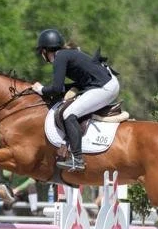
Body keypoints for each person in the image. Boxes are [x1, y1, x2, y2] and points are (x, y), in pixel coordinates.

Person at [30, 28, 120, 172]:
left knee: (68, 114)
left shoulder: (60, 57)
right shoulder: (67, 54)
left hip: (104, 88)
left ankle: (77, 159)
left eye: (42, 52)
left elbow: (57, 89)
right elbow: (73, 84)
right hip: (108, 84)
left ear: (45, 51)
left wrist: (41, 89)